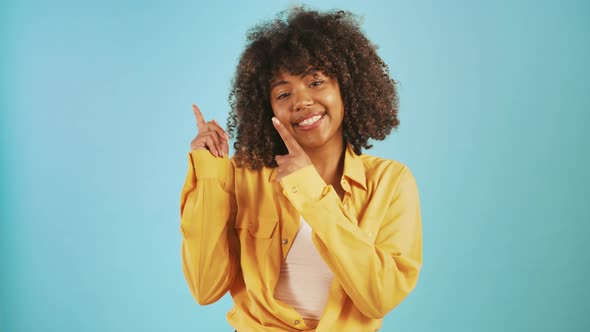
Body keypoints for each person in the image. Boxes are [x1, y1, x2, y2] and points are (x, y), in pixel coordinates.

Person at [180, 7, 422, 332]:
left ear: (346, 88)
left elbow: (379, 296)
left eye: (316, 81)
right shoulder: (244, 176)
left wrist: (309, 189)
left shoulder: (390, 182)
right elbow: (205, 287)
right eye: (283, 93)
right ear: (267, 109)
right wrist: (209, 173)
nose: (302, 101)